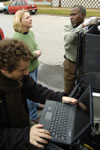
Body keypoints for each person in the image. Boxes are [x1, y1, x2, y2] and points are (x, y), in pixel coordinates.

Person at [0, 39, 77, 150]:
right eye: (22, 70)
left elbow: (35, 91)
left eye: (27, 67)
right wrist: (25, 135)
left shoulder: (20, 78)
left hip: (23, 127)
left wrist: (60, 98)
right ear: (4, 70)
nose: (27, 73)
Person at [12, 10, 42, 122]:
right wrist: (35, 54)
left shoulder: (30, 32)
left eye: (30, 16)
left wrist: (38, 49)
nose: (31, 19)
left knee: (35, 89)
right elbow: (21, 58)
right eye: (27, 18)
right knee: (30, 93)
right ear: (19, 22)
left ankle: (36, 104)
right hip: (27, 70)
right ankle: (33, 117)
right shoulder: (17, 38)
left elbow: (35, 44)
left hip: (35, 67)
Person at [63, 5, 98, 95]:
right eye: (70, 15)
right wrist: (83, 25)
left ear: (83, 15)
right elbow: (68, 39)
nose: (71, 17)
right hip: (71, 64)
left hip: (84, 64)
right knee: (68, 90)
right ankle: (67, 107)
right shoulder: (68, 26)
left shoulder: (89, 26)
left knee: (82, 87)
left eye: (74, 14)